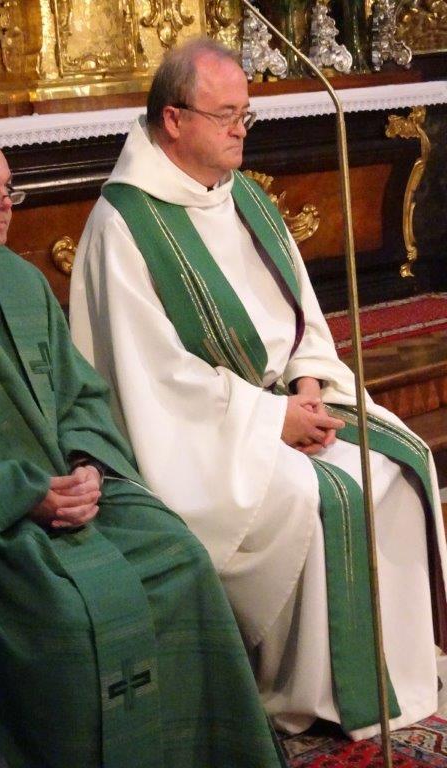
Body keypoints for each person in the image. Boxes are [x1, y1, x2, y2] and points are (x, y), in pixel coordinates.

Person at [0, 119, 287, 768]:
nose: (5, 204)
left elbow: (80, 397)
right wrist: (21, 495)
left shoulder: (18, 280)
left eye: (9, 188)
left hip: (72, 491)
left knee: (181, 558)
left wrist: (88, 462)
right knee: (66, 618)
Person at [70, 37, 447, 741]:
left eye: (246, 114)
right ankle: (309, 692)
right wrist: (272, 419)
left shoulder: (242, 196)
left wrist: (308, 381)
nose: (242, 130)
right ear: (174, 119)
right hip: (200, 438)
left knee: (402, 462)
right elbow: (154, 380)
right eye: (227, 116)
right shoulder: (123, 226)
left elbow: (300, 310)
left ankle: (398, 672)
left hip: (282, 400)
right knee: (316, 494)